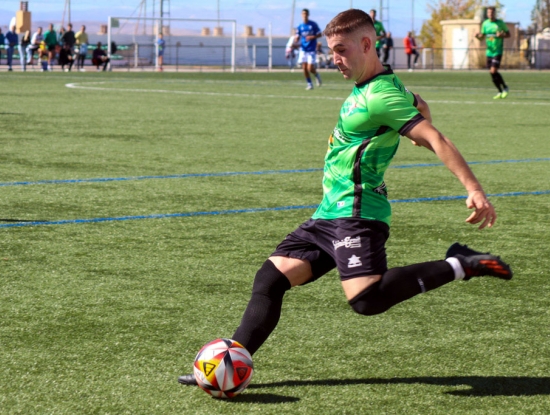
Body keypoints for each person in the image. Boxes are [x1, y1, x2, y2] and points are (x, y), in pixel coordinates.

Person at [176, 8, 513, 387]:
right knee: (270, 279)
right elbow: (419, 104)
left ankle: (460, 263)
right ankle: (230, 362)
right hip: (327, 214)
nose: (334, 59)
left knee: (366, 300)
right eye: (331, 51)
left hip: (356, 212)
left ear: (366, 44)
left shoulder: (380, 96)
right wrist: (416, 119)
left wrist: (474, 190)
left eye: (341, 50)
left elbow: (436, 138)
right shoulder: (377, 87)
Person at [475, 7, 510, 99]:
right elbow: (482, 37)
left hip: (497, 51)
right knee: (492, 73)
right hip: (489, 52)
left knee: (493, 70)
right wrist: (477, 36)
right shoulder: (485, 24)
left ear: (495, 13)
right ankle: (500, 90)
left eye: (492, 13)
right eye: (489, 13)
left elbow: (508, 34)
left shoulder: (500, 23)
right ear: (487, 14)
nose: (490, 14)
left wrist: (502, 35)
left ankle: (505, 87)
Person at [296, 8, 323, 90]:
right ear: (301, 15)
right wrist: (296, 39)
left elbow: (320, 34)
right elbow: (298, 36)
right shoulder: (300, 26)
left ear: (308, 15)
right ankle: (309, 84)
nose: (304, 15)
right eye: (303, 14)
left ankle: (316, 75)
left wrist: (313, 37)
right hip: (303, 49)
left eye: (306, 14)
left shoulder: (313, 25)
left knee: (310, 68)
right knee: (304, 68)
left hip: (311, 49)